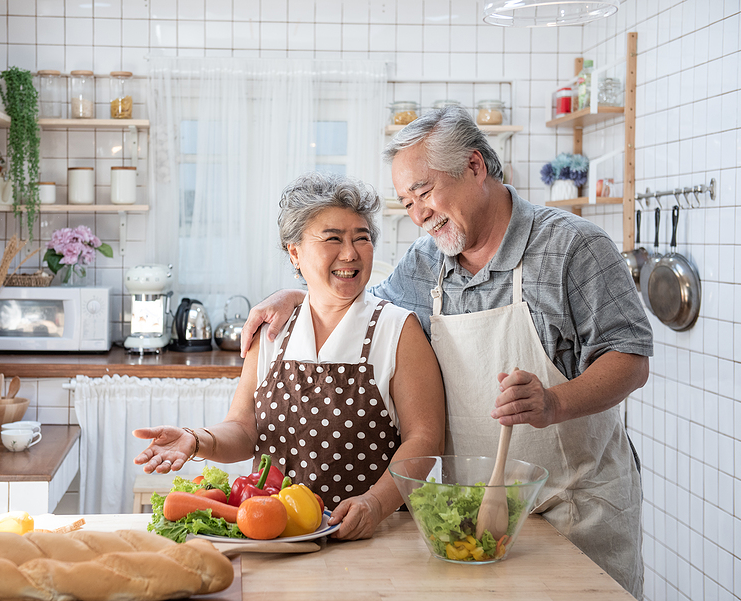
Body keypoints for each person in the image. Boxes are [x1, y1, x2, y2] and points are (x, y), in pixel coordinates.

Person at [239, 108, 652, 599]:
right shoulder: (427, 259)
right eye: (407, 202)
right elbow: (359, 303)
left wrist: (554, 403)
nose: (418, 215)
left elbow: (630, 357)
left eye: (425, 193)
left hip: (574, 509)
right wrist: (298, 296)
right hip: (470, 518)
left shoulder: (573, 246)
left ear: (475, 167)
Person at [134, 172, 445, 540]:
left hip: (374, 535)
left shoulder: (396, 328)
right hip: (276, 534)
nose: (351, 253)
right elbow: (244, 429)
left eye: (361, 238)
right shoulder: (273, 330)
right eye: (333, 239)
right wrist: (196, 438)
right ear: (294, 252)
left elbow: (425, 439)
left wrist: (374, 504)